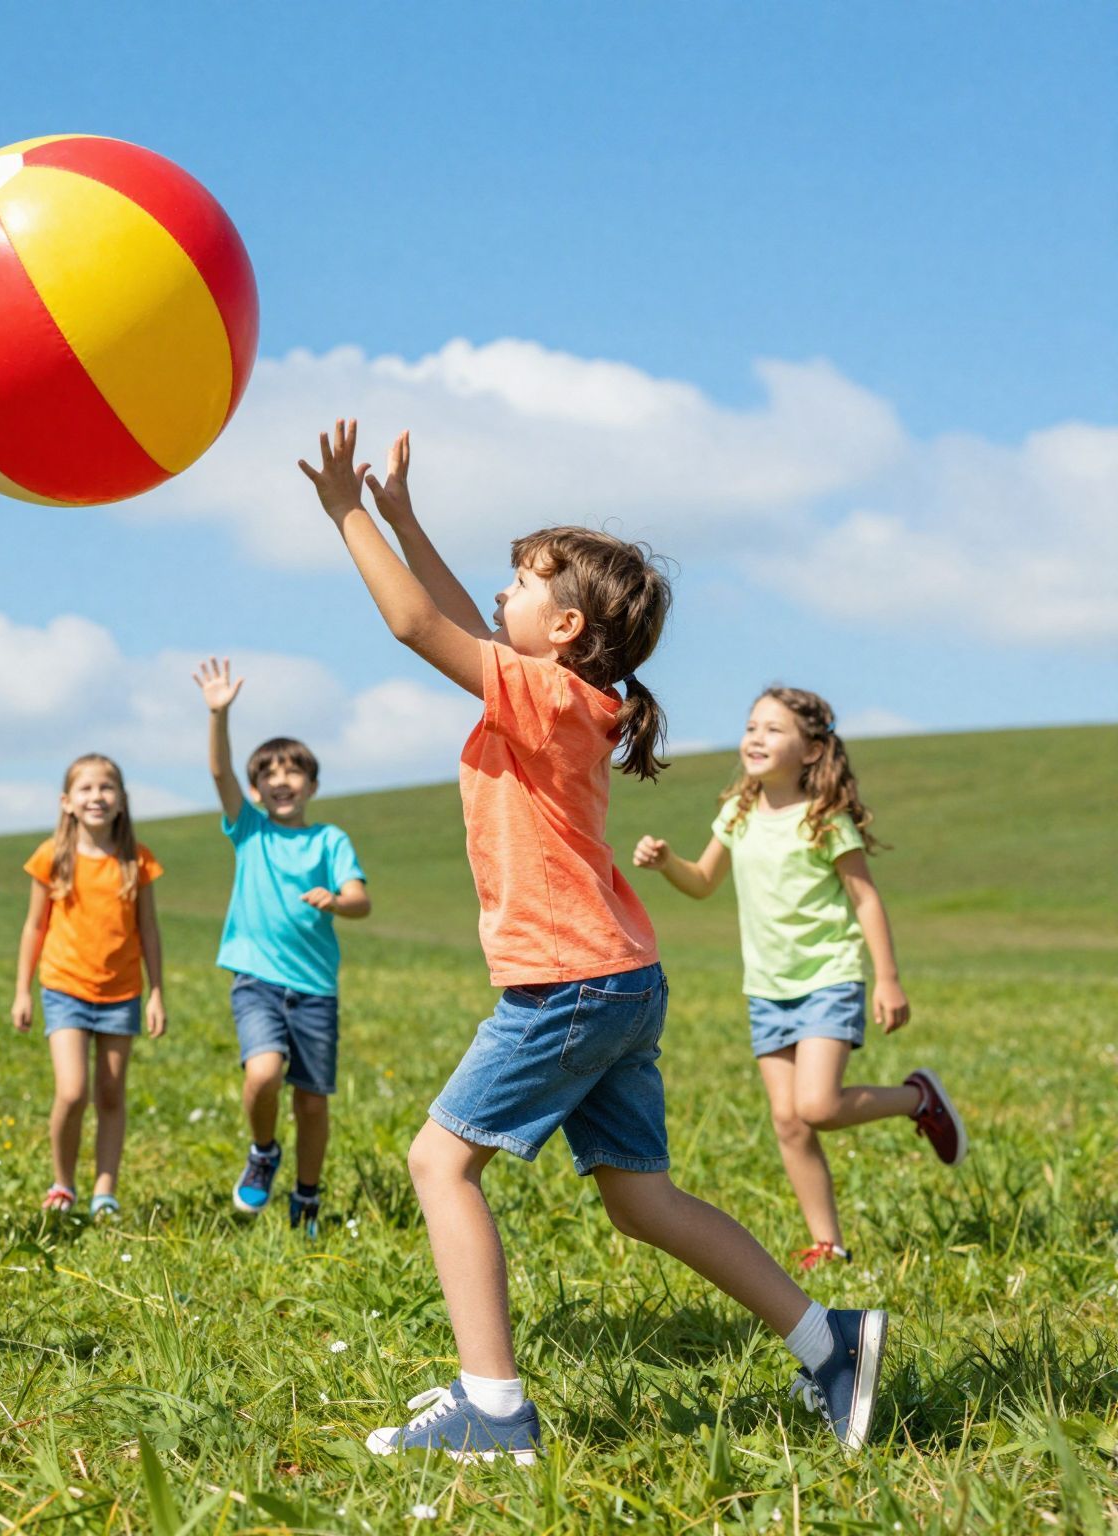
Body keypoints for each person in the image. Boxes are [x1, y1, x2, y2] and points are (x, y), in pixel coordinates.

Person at [304, 421, 886, 1459]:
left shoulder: (542, 694)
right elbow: (447, 617)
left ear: (563, 624)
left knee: (438, 1164)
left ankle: (491, 1407)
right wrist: (399, 515)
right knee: (640, 1200)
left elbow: (409, 624)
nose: (500, 596)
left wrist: (344, 514)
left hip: (567, 984)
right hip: (614, 978)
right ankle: (827, 1342)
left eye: (519, 583)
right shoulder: (566, 693)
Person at [634, 686, 964, 1267]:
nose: (756, 737)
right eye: (751, 726)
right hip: (767, 988)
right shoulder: (737, 813)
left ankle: (917, 1099)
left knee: (816, 1106)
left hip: (829, 977)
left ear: (811, 751)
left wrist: (886, 978)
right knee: (789, 1123)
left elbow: (865, 900)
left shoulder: (824, 819)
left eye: (774, 729)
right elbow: (704, 881)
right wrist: (667, 865)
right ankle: (829, 1243)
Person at [192, 658, 369, 1234]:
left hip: (315, 988)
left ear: (312, 785)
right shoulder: (250, 829)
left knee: (313, 1103)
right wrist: (219, 716)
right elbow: (218, 772)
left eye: (294, 772)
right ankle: (264, 1152)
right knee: (263, 1073)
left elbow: (359, 899)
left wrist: (336, 901)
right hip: (257, 980)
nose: (282, 780)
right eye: (269, 773)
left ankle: (307, 1198)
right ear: (255, 788)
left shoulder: (330, 838)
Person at [11, 754, 167, 1219]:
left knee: (112, 1093)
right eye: (85, 789)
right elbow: (33, 927)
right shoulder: (51, 857)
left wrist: (157, 990)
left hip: (122, 992)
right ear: (67, 802)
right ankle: (62, 1183)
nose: (96, 797)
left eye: (106, 788)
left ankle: (105, 1189)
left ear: (121, 801)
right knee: (73, 1091)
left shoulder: (136, 859)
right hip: (64, 988)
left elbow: (150, 930)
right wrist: (22, 990)